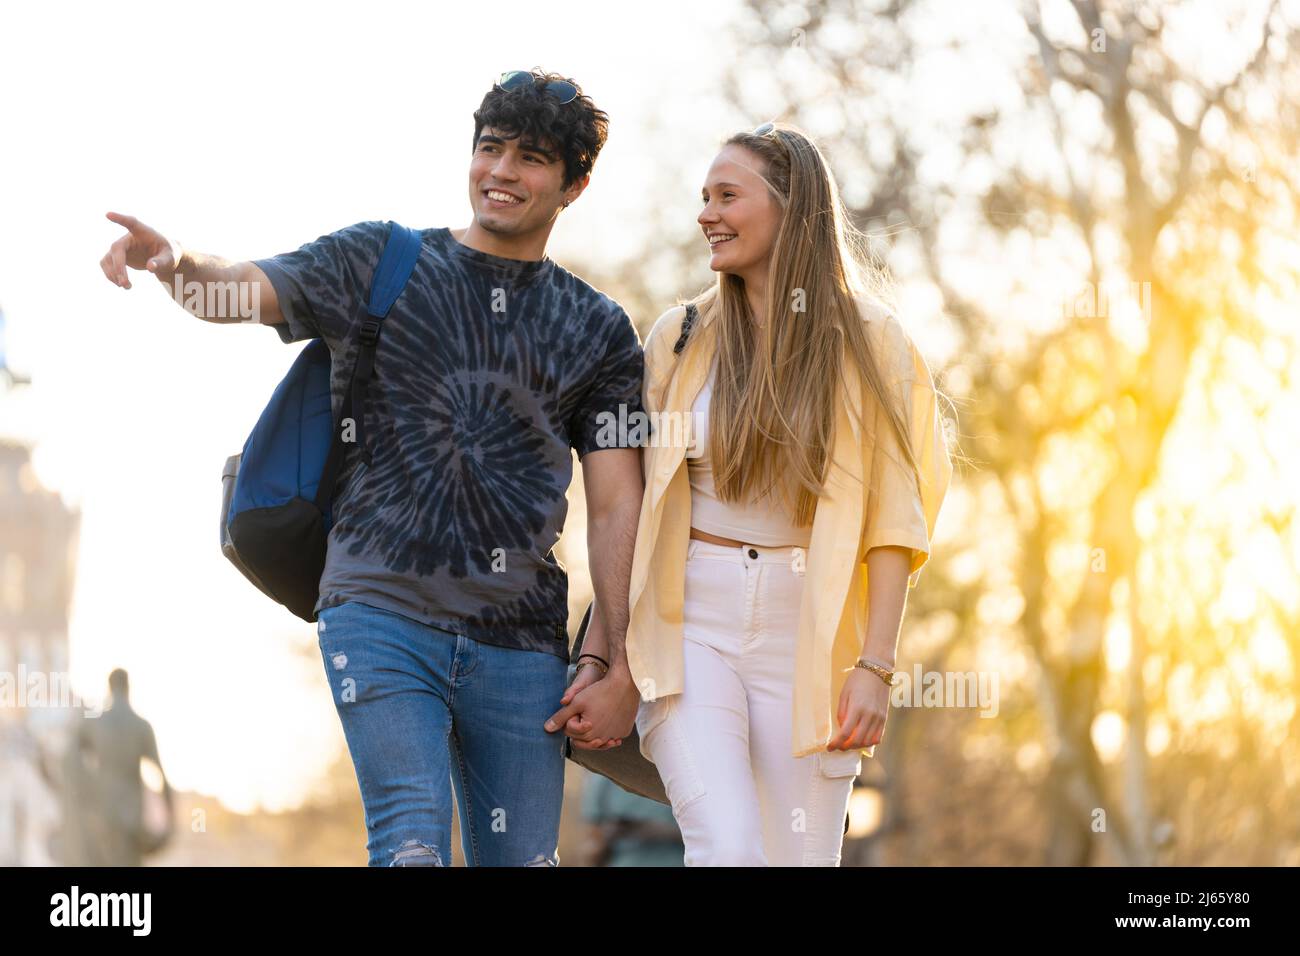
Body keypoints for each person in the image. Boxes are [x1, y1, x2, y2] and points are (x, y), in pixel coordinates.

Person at [98, 69, 646, 866]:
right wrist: (172, 261)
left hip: (523, 646)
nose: (500, 171)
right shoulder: (379, 261)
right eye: (489, 148)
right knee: (412, 841)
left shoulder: (598, 330)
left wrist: (617, 661)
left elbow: (616, 507)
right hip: (379, 608)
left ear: (575, 183)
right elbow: (241, 291)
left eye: (530, 158)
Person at [617, 122, 953, 865]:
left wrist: (875, 665)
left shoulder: (873, 340)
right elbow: (630, 503)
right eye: (703, 197)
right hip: (691, 624)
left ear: (792, 205)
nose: (707, 213)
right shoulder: (680, 337)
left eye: (727, 195)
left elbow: (895, 516)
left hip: (811, 634)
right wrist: (608, 653)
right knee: (730, 849)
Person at [74, 669, 173, 866]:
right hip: (131, 816)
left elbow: (71, 756)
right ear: (128, 688)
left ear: (110, 689)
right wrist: (170, 823)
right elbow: (161, 776)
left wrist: (85, 791)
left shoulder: (95, 724)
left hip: (103, 814)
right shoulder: (141, 726)